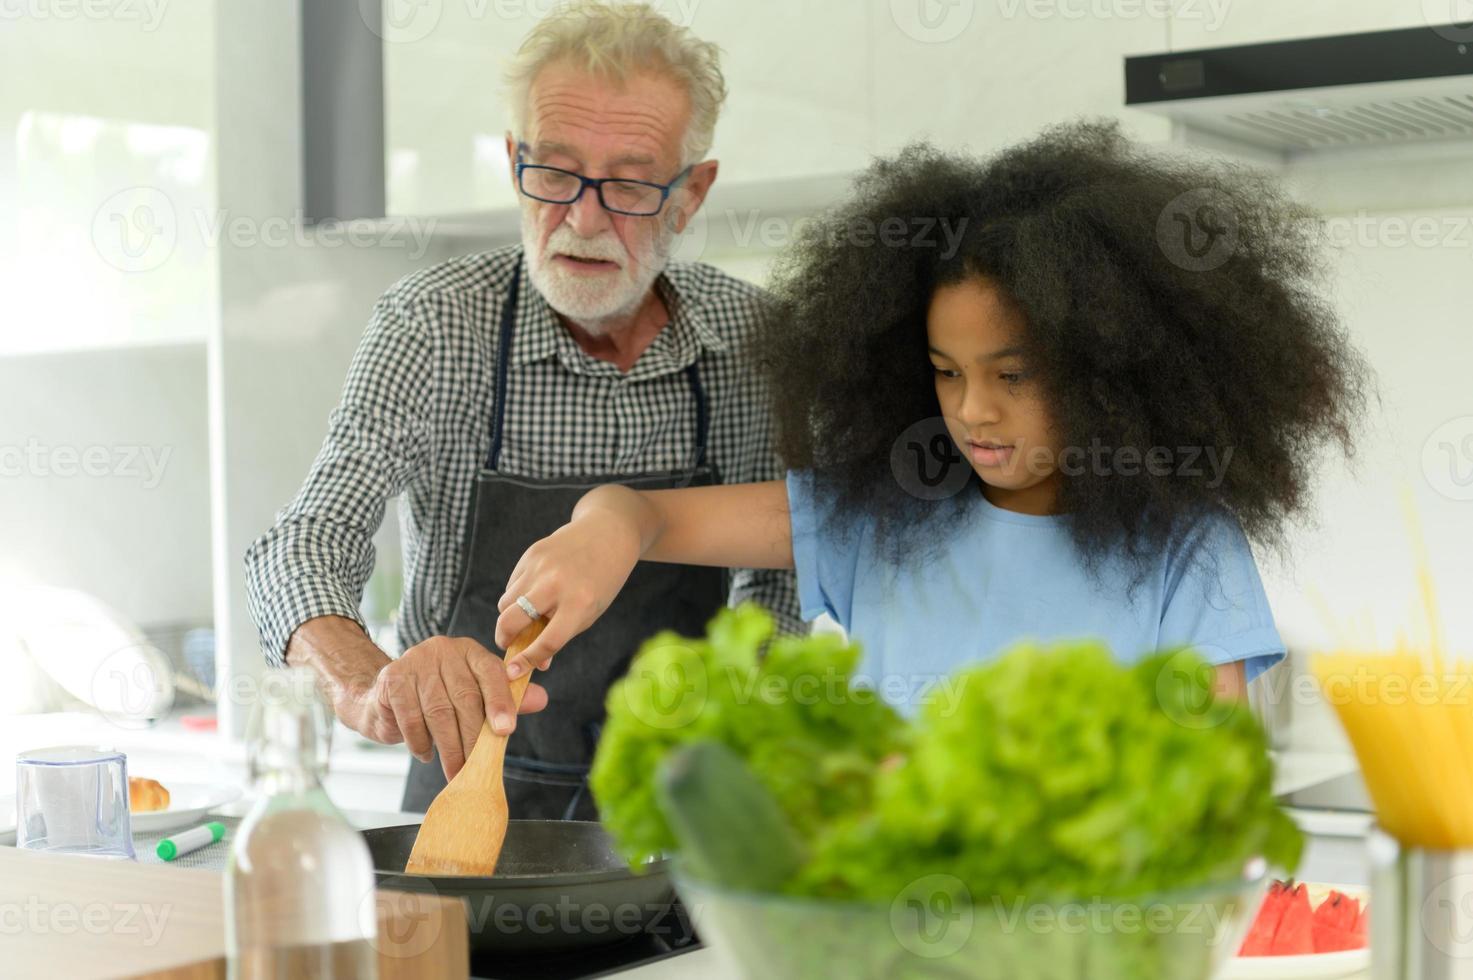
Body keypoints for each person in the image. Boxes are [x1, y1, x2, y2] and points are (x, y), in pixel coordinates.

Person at [490, 122, 1368, 710]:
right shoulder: (878, 516)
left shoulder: (1187, 548)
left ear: (1116, 375)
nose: (972, 411)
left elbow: (1204, 809)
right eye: (944, 373)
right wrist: (603, 527)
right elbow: (645, 514)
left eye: (1014, 375)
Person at [244, 1, 801, 818]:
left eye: (631, 184)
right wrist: (367, 685)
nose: (581, 218)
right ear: (513, 161)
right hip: (469, 793)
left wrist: (748, 717)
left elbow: (781, 578)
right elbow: (301, 542)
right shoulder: (434, 325)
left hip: (690, 807)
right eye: (554, 171)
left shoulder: (758, 342)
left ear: (690, 195)